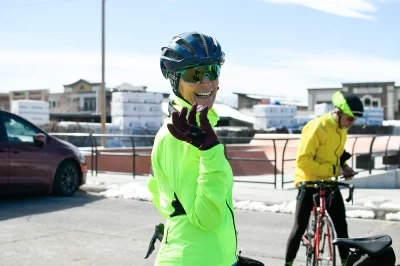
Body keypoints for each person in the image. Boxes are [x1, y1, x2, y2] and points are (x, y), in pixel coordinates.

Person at [147, 31, 238, 266]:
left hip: (210, 256)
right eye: (195, 73)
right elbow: (206, 217)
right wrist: (211, 153)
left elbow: (159, 194)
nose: (206, 82)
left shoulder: (198, 128)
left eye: (213, 71)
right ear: (175, 79)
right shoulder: (178, 135)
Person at [284, 91, 364, 266]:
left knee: (341, 226)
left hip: (329, 181)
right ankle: (288, 263)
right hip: (308, 181)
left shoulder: (341, 129)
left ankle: (346, 263)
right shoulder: (316, 127)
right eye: (350, 119)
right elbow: (303, 162)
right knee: (298, 229)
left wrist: (344, 166)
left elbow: (337, 151)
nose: (351, 123)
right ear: (338, 112)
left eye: (354, 120)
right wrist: (334, 169)